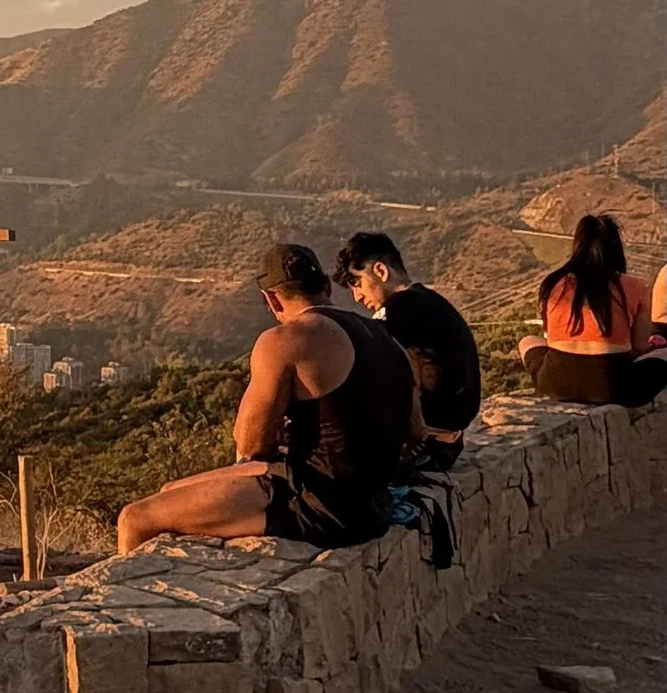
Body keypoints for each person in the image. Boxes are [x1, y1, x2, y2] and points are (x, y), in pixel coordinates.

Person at [115, 239, 416, 555]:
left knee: (135, 518)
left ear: (271, 299)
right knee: (170, 491)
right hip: (376, 498)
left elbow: (250, 445)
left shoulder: (284, 341)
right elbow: (415, 429)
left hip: (322, 505)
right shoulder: (383, 336)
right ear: (326, 286)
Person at [334, 231, 482, 464]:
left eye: (357, 283)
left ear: (380, 271)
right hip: (451, 435)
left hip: (426, 440)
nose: (357, 297)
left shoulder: (399, 309)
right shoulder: (431, 301)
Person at [517, 212, 667, 408]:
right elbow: (639, 345)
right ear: (616, 248)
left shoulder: (553, 282)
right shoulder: (634, 285)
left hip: (555, 382)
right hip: (613, 387)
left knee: (527, 340)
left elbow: (550, 338)